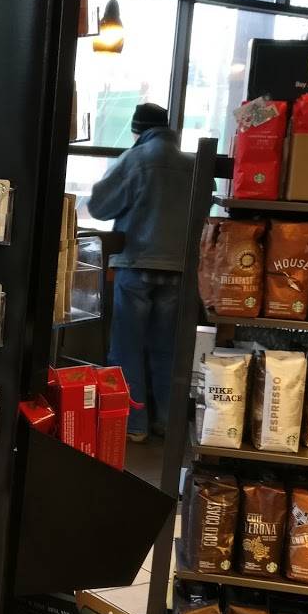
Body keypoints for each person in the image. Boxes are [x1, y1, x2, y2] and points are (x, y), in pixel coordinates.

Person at [87, 102, 194, 442]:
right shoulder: (191, 164)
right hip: (180, 269)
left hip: (136, 264)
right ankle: (167, 422)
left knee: (127, 347)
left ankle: (133, 425)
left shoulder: (135, 159)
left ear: (137, 130)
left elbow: (99, 206)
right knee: (167, 348)